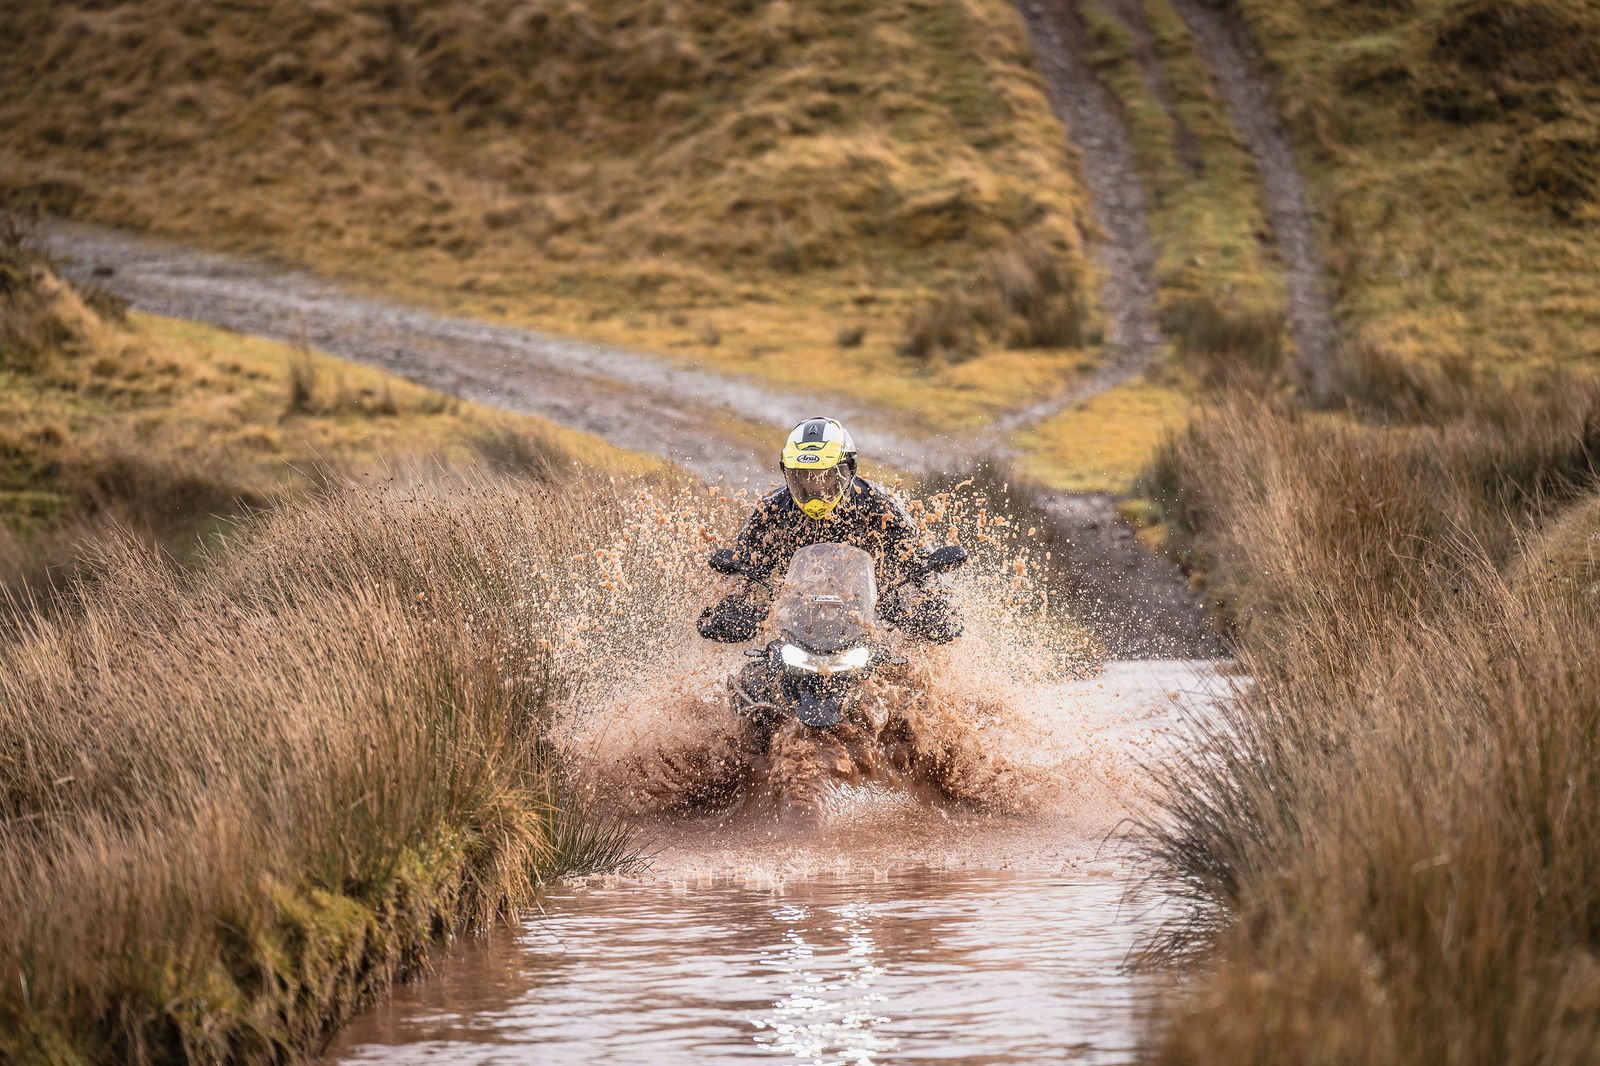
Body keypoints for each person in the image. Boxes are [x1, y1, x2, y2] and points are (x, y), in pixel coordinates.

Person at [697, 416, 962, 645]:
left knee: (913, 678)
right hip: (793, 625)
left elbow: (916, 561)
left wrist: (930, 605)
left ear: (847, 470)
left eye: (825, 475)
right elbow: (747, 569)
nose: (815, 486)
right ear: (789, 473)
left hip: (873, 618)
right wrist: (735, 606)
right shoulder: (773, 510)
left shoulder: (880, 506)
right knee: (754, 674)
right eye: (804, 476)